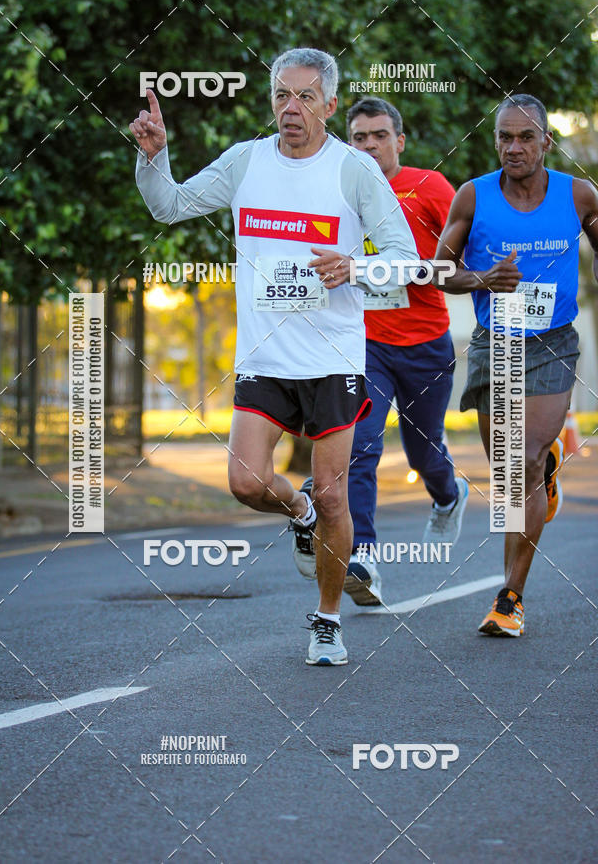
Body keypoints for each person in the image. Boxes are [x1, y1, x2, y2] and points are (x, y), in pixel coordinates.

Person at [130, 48, 418, 665]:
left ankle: (327, 621)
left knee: (338, 494)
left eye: (306, 97)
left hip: (334, 357)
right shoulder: (246, 161)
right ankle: (299, 509)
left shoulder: (353, 171)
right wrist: (154, 157)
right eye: (282, 96)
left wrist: (357, 266)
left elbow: (406, 258)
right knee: (245, 481)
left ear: (331, 105)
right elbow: (170, 205)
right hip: (264, 357)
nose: (291, 108)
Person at [434, 93, 598, 636]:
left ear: (546, 141)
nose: (514, 147)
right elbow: (439, 273)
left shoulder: (577, 195)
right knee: (509, 475)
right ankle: (542, 472)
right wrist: (485, 280)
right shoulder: (473, 197)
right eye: (505, 137)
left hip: (552, 341)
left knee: (522, 458)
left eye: (526, 137)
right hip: (494, 342)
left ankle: (510, 598)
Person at [343, 97, 468, 606]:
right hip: (366, 342)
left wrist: (416, 269)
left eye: (379, 135)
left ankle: (447, 493)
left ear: (400, 140)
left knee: (422, 450)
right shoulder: (340, 190)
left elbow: (459, 262)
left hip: (426, 346)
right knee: (361, 445)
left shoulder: (430, 187)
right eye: (359, 137)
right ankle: (365, 557)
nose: (369, 145)